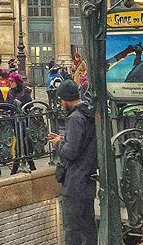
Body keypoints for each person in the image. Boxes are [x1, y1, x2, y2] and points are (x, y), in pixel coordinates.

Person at [48, 79, 97, 245]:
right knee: (88, 229)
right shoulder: (88, 113)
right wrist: (65, 138)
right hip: (87, 182)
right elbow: (83, 142)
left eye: (61, 100)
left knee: (73, 231)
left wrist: (59, 143)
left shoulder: (75, 118)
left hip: (75, 183)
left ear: (66, 100)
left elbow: (71, 152)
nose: (61, 104)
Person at [7, 72, 37, 174]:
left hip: (24, 122)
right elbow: (7, 105)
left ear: (17, 82)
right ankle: (29, 163)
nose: (10, 83)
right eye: (10, 81)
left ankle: (18, 165)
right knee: (20, 143)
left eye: (12, 81)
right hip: (14, 122)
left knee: (22, 143)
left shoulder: (25, 93)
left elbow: (30, 107)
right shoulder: (10, 92)